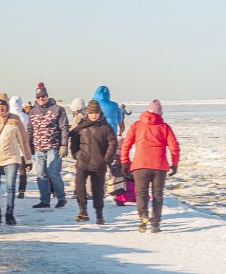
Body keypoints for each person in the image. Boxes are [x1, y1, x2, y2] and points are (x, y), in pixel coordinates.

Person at [120, 99, 180, 233]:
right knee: (157, 194)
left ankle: (143, 217)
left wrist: (124, 162)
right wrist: (174, 164)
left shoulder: (137, 125)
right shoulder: (164, 127)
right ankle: (155, 224)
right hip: (159, 166)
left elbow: (126, 144)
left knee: (141, 193)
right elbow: (174, 147)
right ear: (160, 113)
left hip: (140, 165)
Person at [0, 94, 32, 225]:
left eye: (2, 105)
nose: (0, 108)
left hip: (12, 158)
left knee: (10, 186)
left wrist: (28, 159)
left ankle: (9, 213)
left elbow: (23, 140)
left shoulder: (15, 119)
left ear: (7, 106)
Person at [69, 100, 118, 225]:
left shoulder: (105, 127)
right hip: (83, 162)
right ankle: (83, 211)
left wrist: (106, 159)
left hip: (99, 163)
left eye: (96, 113)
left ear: (100, 113)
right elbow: (74, 141)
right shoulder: (82, 126)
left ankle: (99, 215)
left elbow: (113, 143)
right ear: (88, 113)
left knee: (98, 191)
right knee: (79, 186)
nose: (94, 115)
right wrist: (76, 154)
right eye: (91, 113)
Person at [27, 82, 70, 209]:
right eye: (39, 97)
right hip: (39, 149)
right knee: (41, 174)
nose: (41, 98)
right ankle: (44, 200)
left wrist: (64, 145)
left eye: (43, 96)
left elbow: (64, 127)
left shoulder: (58, 109)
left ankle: (61, 198)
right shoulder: (32, 112)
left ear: (47, 96)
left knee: (53, 173)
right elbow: (30, 130)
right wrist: (28, 145)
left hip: (53, 147)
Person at [9, 95, 32, 199]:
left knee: (11, 171)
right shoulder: (26, 117)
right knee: (22, 170)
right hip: (22, 148)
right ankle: (22, 190)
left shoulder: (8, 116)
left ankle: (10, 189)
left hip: (11, 148)